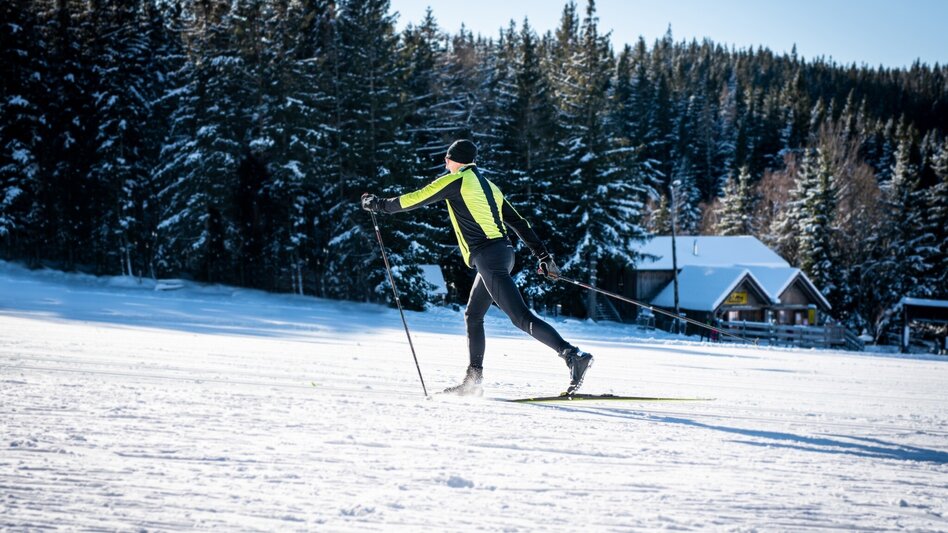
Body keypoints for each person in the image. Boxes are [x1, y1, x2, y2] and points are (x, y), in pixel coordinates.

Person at [360, 139, 593, 396]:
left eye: (447, 158)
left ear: (456, 159)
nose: (445, 163)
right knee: (473, 315)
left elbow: (415, 199)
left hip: (489, 257)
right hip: (502, 254)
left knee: (520, 318)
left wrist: (378, 204)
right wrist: (543, 256)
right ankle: (472, 381)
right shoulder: (490, 187)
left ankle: (573, 356)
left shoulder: (457, 181)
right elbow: (519, 222)